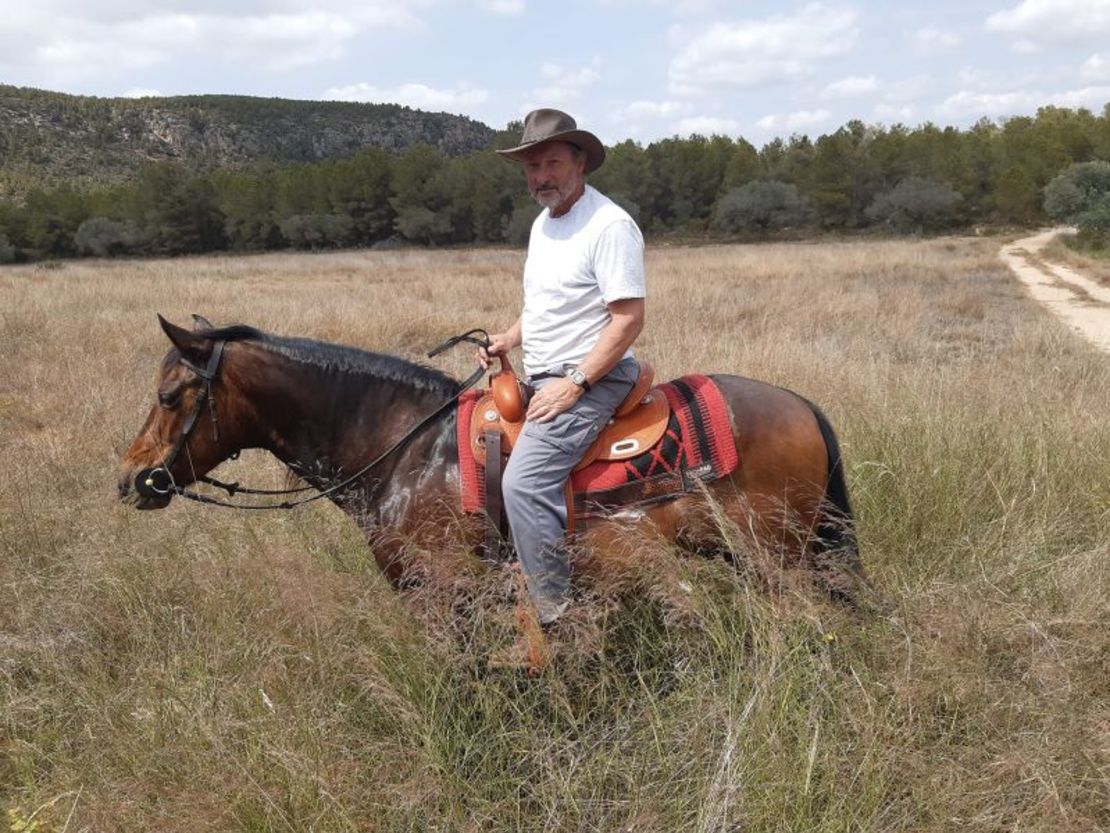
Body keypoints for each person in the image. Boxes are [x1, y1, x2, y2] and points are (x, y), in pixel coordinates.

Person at [479, 108, 646, 635]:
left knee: (524, 483)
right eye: (531, 167)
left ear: (579, 162)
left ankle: (558, 620)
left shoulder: (609, 225)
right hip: (542, 370)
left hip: (595, 377)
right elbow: (546, 305)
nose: (540, 177)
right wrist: (509, 338)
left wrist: (576, 383)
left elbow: (627, 319)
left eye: (551, 162)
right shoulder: (543, 224)